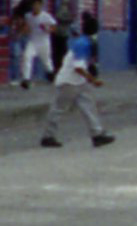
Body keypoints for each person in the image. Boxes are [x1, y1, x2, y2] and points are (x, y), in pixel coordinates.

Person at [37, 12, 115, 149]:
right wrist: (93, 80)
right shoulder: (84, 43)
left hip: (76, 81)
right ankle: (47, 136)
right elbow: (78, 67)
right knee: (58, 109)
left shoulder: (83, 41)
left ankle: (97, 134)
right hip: (69, 81)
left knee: (88, 106)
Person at [16, 0, 56, 88]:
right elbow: (26, 27)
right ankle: (26, 79)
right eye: (34, 4)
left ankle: (51, 74)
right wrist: (21, 33)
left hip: (44, 42)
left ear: (41, 5)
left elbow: (54, 28)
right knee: (26, 56)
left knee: (46, 61)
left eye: (37, 4)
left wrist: (47, 29)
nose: (35, 6)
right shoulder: (28, 16)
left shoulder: (46, 16)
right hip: (33, 41)